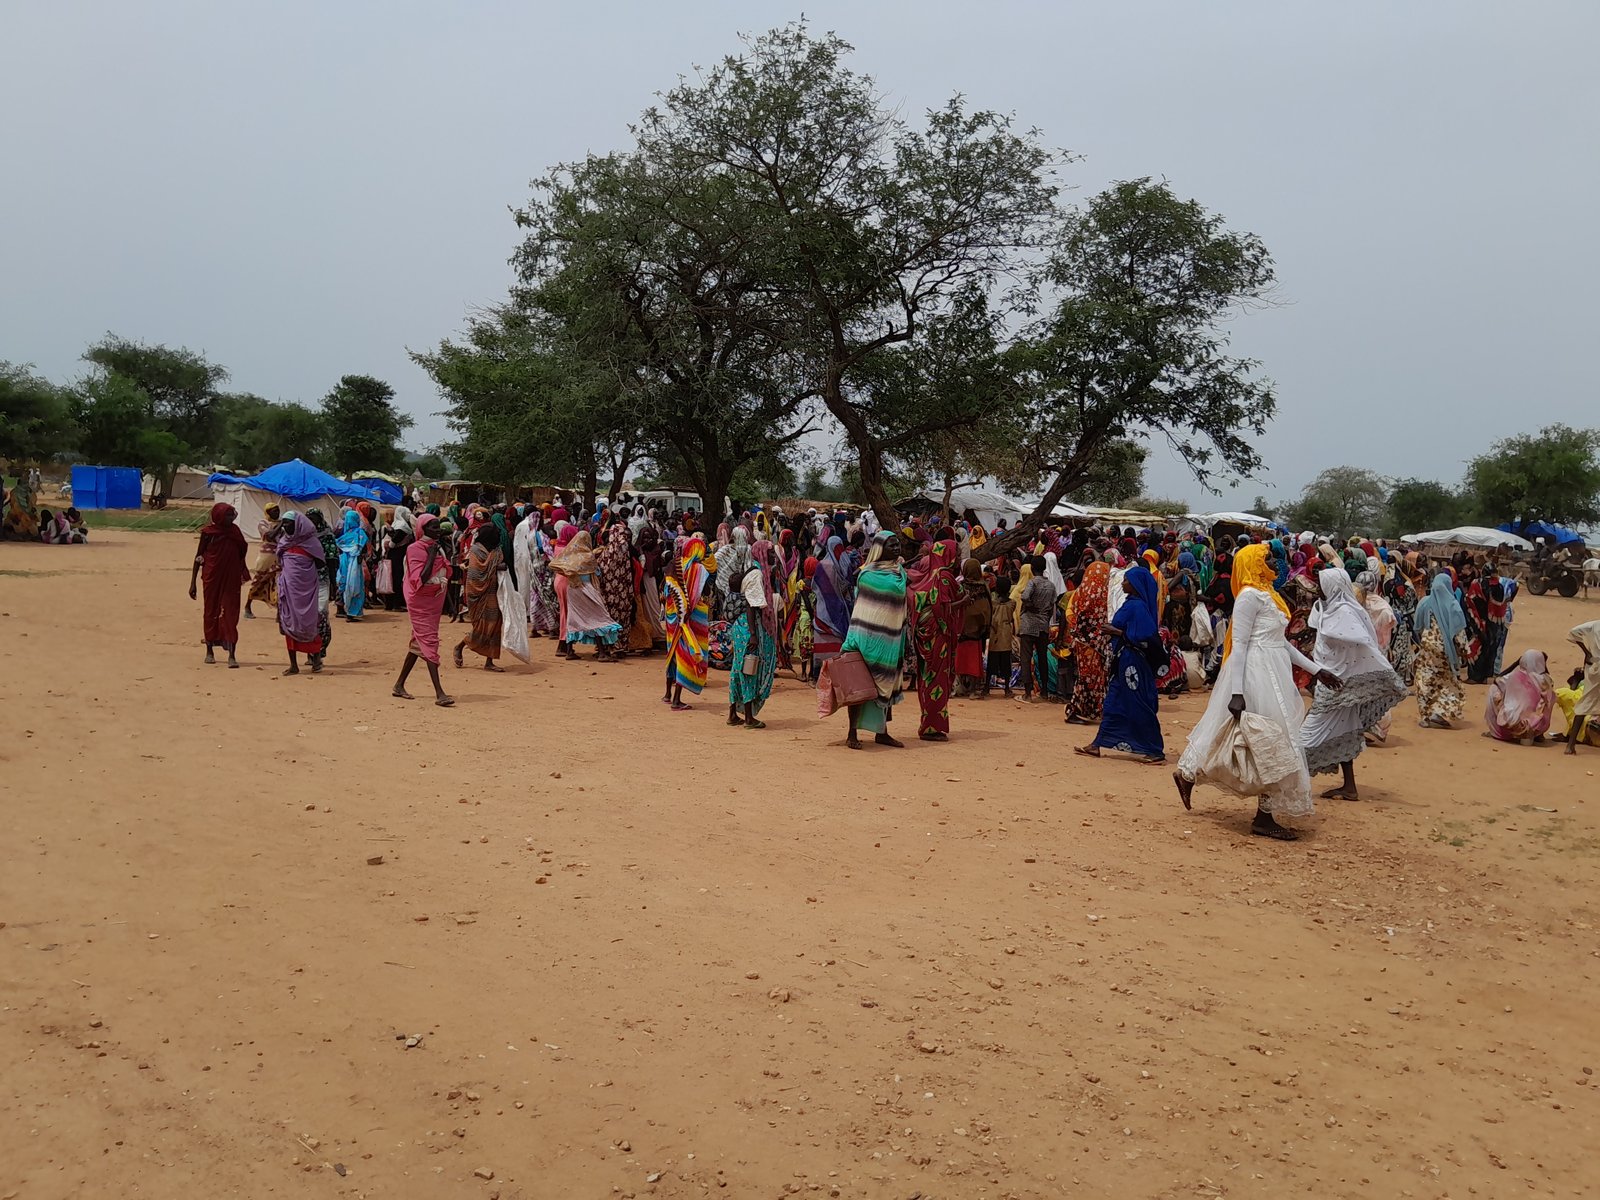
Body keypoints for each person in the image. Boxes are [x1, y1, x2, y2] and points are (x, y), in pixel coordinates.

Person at [1173, 544, 1341, 841]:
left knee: (1266, 740)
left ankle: (1190, 776)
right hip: (1254, 674)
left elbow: (1281, 643)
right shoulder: (1249, 596)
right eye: (1267, 559)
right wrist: (1237, 692)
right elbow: (1239, 645)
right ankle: (1260, 815)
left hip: (1274, 671)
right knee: (1261, 739)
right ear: (1253, 564)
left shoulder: (1269, 595)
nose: (1274, 563)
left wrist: (1316, 670)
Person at [1298, 569, 1407, 800]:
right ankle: (1349, 787)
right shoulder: (1329, 609)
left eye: (1322, 585)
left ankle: (1289, 781)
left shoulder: (1345, 612)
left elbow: (1363, 642)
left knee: (1307, 734)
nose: (1318, 590)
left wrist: (1384, 675)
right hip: (1331, 681)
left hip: (1338, 684)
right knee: (1344, 731)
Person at [1077, 562, 1165, 763]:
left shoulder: (1137, 607)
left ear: (1135, 585)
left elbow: (1145, 637)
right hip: (1123, 661)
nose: (1123, 583)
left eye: (1126, 580)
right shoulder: (1130, 603)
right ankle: (1098, 743)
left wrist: (1116, 632)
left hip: (1134, 663)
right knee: (1113, 701)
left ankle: (1154, 749)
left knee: (1138, 703)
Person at [841, 532, 909, 750]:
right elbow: (864, 604)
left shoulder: (900, 572)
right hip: (866, 638)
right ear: (880, 548)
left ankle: (882, 732)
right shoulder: (868, 574)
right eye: (891, 545)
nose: (897, 548)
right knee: (859, 687)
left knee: (887, 684)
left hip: (891, 638)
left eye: (898, 544)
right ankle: (851, 733)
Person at [392, 513, 454, 706]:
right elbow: (420, 578)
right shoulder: (415, 549)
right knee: (429, 641)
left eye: (438, 526)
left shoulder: (437, 546)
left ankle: (399, 685)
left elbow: (443, 577)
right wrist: (432, 554)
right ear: (423, 529)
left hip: (435, 601)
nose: (438, 530)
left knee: (419, 642)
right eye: (433, 527)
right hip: (420, 601)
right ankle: (439, 693)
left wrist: (451, 604)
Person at [906, 537, 964, 740]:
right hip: (938, 636)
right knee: (937, 679)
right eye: (957, 555)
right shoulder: (944, 577)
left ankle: (928, 722)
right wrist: (964, 601)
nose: (959, 559)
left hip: (925, 637)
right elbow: (943, 608)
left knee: (927, 679)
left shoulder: (927, 576)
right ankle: (931, 727)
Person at [189, 501, 249, 666]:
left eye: (231, 515)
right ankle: (209, 650)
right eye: (227, 515)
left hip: (231, 579)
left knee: (231, 613)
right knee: (211, 612)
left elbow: (242, 551)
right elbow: (198, 556)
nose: (230, 518)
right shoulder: (208, 533)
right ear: (219, 517)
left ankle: (232, 655)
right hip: (212, 578)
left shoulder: (235, 532)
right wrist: (193, 583)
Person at [727, 540, 780, 728]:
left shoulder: (753, 571)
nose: (774, 556)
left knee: (738, 668)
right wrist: (753, 634)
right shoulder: (757, 574)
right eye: (771, 553)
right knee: (750, 667)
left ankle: (733, 714)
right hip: (748, 627)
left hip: (742, 627)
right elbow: (751, 604)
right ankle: (749, 718)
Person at [550, 529, 623, 660]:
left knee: (573, 619)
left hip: (573, 589)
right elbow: (597, 572)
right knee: (597, 618)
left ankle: (569, 651)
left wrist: (570, 573)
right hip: (587, 589)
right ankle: (602, 653)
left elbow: (553, 564)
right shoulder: (588, 556)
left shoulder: (569, 557)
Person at [1413, 572, 1467, 729]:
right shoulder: (1453, 605)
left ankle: (1425, 716)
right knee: (1446, 681)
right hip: (1445, 650)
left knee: (1425, 679)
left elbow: (1417, 625)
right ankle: (1439, 711)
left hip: (1427, 647)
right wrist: (1463, 649)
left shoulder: (1424, 602)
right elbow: (1459, 633)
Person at [663, 535, 711, 709]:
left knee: (673, 651)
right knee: (687, 654)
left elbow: (666, 591)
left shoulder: (674, 564)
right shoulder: (699, 569)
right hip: (689, 617)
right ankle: (677, 699)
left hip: (672, 616)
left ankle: (668, 693)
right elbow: (705, 591)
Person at [275, 513, 326, 676]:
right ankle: (293, 665)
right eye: (283, 523)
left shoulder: (311, 542)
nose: (285, 526)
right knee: (289, 623)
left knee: (309, 623)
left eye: (288, 523)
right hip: (289, 589)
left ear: (299, 524)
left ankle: (316, 659)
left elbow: (320, 562)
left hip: (306, 590)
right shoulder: (284, 541)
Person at [1064, 561, 1112, 724]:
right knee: (1088, 676)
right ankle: (1075, 710)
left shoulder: (1082, 592)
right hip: (1090, 643)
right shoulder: (1098, 593)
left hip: (1088, 642)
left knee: (1093, 677)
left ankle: (1090, 710)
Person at [453, 525, 506, 671]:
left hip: (493, 591)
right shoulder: (476, 550)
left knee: (495, 625)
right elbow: (476, 574)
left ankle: (489, 661)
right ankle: (460, 645)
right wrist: (496, 568)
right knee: (482, 626)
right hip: (478, 592)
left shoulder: (496, 550)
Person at [1485, 650, 1556, 743]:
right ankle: (1538, 735)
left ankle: (1500, 732)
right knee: (1547, 700)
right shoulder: (1546, 680)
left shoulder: (1515, 676)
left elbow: (1497, 680)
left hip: (1514, 724)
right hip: (1537, 724)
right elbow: (1545, 675)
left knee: (1494, 689)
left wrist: (1515, 664)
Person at [1016, 555, 1056, 702]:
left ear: (1032, 568)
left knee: (1026, 658)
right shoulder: (1051, 585)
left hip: (1029, 624)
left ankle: (1027, 693)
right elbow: (1052, 604)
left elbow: (1024, 597)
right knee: (1042, 657)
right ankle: (1044, 691)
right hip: (1043, 624)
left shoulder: (1032, 582)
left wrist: (1030, 605)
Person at [954, 560, 992, 698]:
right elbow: (987, 607)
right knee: (974, 660)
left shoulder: (960, 586)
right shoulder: (984, 587)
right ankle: (972, 690)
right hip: (977, 630)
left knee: (960, 659)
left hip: (961, 629)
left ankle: (960, 687)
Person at [1565, 621, 1600, 755]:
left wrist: (1587, 653)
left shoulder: (1594, 625)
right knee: (1586, 703)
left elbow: (1573, 632)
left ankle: (1570, 745)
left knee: (1585, 703)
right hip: (1595, 667)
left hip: (1593, 668)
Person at [244, 503, 281, 619]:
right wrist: (281, 525)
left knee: (279, 583)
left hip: (279, 556)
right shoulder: (263, 523)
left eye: (278, 510)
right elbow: (269, 536)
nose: (277, 513)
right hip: (266, 556)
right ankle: (247, 606)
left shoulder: (282, 523)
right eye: (274, 511)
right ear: (268, 513)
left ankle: (279, 613)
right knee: (259, 581)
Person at [985, 577, 1016, 699]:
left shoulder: (993, 603)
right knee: (1006, 662)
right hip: (1006, 634)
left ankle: (986, 687)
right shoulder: (1012, 603)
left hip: (995, 634)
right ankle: (1007, 688)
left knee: (991, 662)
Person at [336, 508, 368, 622]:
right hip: (355, 565)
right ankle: (352, 612)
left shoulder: (343, 536)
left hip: (344, 563)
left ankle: (344, 609)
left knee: (344, 584)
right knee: (356, 585)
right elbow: (364, 549)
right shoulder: (360, 533)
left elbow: (339, 549)